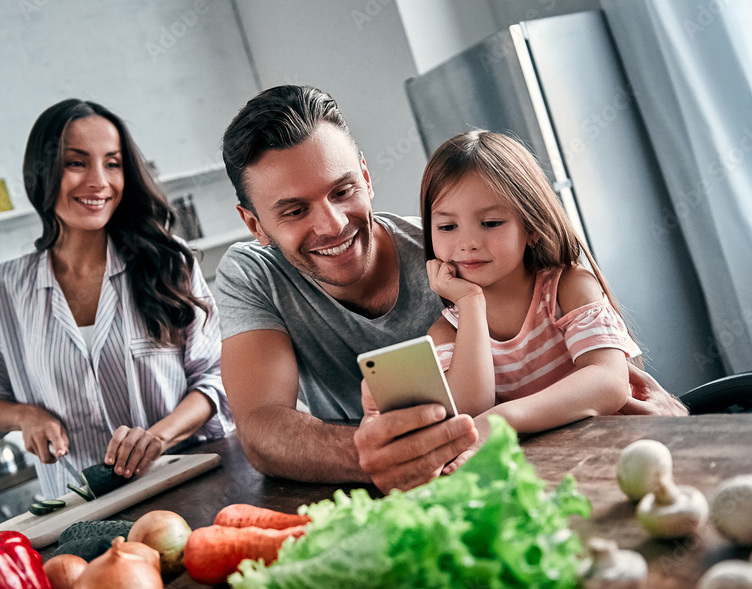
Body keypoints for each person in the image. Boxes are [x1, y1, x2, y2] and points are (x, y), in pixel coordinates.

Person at [215, 85, 685, 494]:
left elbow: (617, 379)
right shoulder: (256, 274)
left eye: (342, 191)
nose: (333, 225)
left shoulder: (463, 259)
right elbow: (261, 427)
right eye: (294, 211)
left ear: (366, 176)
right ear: (254, 223)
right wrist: (380, 451)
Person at [0, 99, 230, 498]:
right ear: (42, 173)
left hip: (184, 488)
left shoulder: (168, 263)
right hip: (75, 511)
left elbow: (217, 379)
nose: (98, 181)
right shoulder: (6, 287)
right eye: (76, 163)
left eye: (112, 163)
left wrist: (157, 437)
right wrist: (26, 416)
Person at [422, 130, 641, 443]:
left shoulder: (567, 289)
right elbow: (468, 414)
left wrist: (507, 416)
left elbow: (609, 381)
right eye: (447, 226)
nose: (467, 243)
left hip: (611, 452)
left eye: (491, 223)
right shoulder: (447, 332)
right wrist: (470, 302)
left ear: (532, 227)